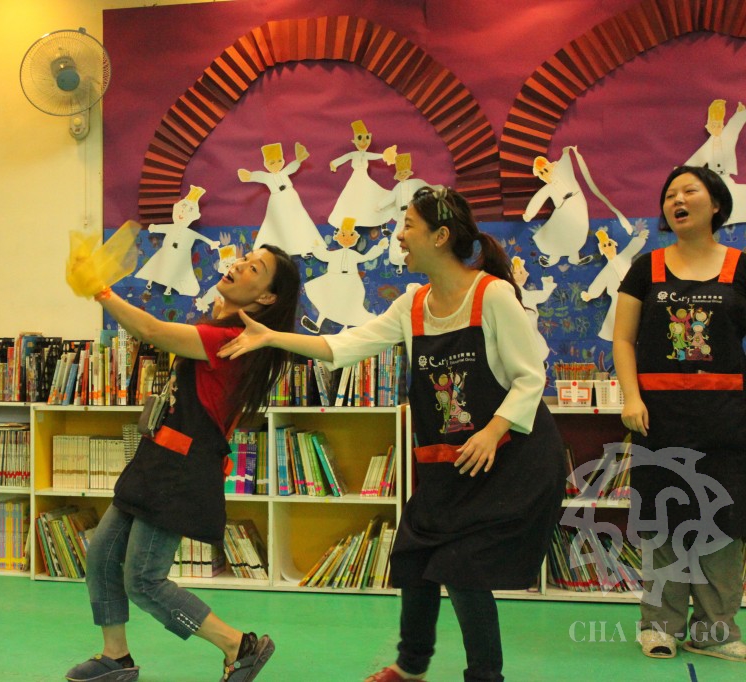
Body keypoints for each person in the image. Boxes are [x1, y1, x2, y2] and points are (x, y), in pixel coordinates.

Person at [220, 187, 565, 682]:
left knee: (462, 568)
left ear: (440, 237)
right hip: (452, 463)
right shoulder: (412, 305)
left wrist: (492, 432)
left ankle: (485, 676)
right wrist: (273, 336)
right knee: (414, 557)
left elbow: (531, 377)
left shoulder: (491, 295)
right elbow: (345, 346)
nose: (399, 236)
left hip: (510, 458)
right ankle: (410, 668)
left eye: (408, 226)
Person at [64, 244, 300, 682]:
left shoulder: (231, 341)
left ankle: (239, 646)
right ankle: (116, 658)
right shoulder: (222, 325)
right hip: (157, 459)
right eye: (244, 258)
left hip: (180, 472)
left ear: (267, 297)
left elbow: (152, 330)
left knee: (144, 580)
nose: (238, 265)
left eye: (254, 268)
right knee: (102, 556)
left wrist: (100, 291)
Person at [613, 165, 746, 662]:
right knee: (662, 519)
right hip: (659, 416)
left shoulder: (742, 268)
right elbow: (623, 340)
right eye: (670, 194)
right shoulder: (644, 269)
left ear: (717, 204)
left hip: (728, 419)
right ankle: (659, 626)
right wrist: (631, 398)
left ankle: (716, 631)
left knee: (725, 522)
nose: (677, 200)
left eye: (690, 191)